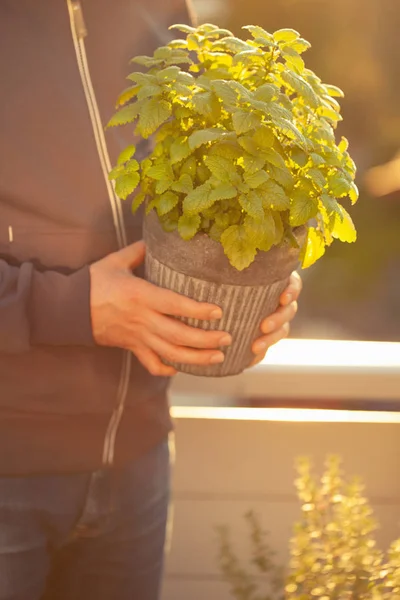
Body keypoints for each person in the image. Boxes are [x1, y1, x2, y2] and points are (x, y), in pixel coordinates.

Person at [0, 1, 302, 599]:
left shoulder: (161, 9)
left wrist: (262, 280)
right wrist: (70, 306)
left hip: (137, 462)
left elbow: (208, 180)